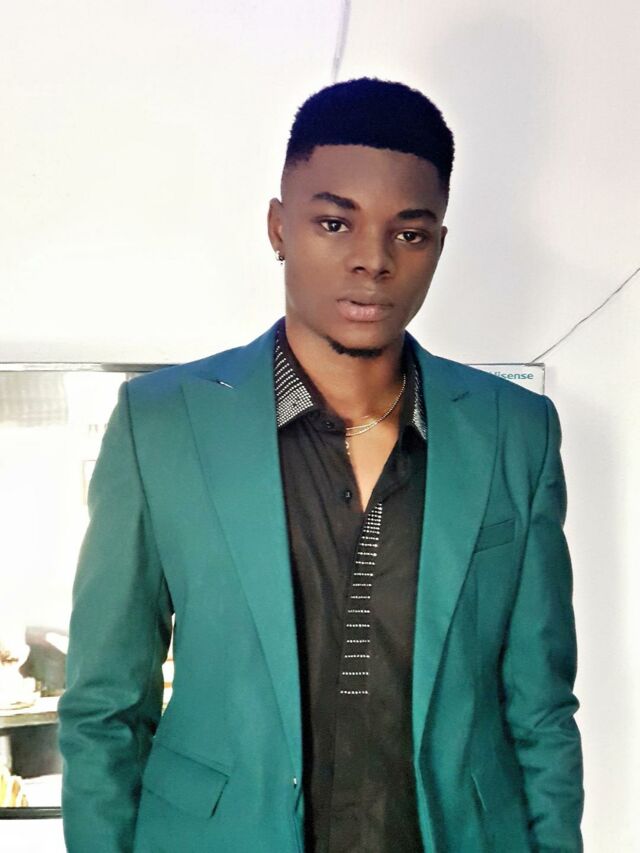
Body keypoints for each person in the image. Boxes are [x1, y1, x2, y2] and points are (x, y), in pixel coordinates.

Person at [58, 77, 584, 852]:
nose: (372, 261)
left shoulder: (515, 431)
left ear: (438, 245)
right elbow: (105, 708)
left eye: (409, 234)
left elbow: (540, 710)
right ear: (279, 227)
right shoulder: (161, 424)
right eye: (335, 222)